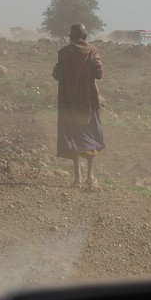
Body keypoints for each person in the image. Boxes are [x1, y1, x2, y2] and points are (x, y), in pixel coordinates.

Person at [52, 23, 106, 188]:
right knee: (90, 137)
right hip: (89, 103)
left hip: (69, 103)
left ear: (70, 37)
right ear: (85, 36)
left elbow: (56, 74)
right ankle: (91, 177)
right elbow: (99, 73)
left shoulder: (63, 53)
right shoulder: (92, 51)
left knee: (74, 137)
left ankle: (77, 179)